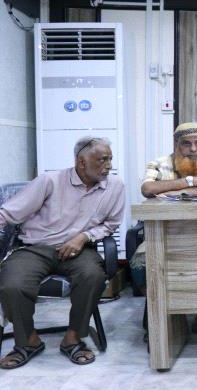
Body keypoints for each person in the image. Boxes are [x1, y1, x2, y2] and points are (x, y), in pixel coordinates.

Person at [0, 137, 124, 368]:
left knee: (93, 277)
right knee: (12, 283)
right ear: (81, 162)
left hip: (80, 250)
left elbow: (111, 224)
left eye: (110, 159)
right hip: (36, 248)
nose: (109, 165)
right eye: (102, 160)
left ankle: (73, 338)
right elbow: (8, 214)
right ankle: (28, 341)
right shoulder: (50, 181)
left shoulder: (115, 186)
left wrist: (83, 237)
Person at [134, 122, 197, 342]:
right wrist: (193, 182)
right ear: (176, 144)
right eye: (186, 144)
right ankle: (162, 316)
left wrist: (175, 190)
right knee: (141, 264)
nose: (193, 149)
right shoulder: (159, 164)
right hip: (164, 236)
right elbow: (148, 189)